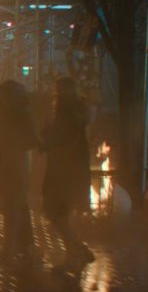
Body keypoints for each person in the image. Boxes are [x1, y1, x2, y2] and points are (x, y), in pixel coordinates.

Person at [0, 80, 39, 265]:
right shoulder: (1, 114)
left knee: (11, 208)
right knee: (12, 206)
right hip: (2, 166)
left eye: (2, 94)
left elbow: (30, 141)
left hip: (13, 168)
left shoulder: (21, 116)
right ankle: (25, 244)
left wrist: (5, 142)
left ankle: (9, 249)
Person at [40, 77, 95, 270]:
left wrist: (45, 137)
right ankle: (78, 251)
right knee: (60, 214)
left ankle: (75, 254)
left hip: (63, 172)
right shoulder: (75, 112)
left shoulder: (66, 113)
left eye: (57, 91)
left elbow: (59, 139)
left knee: (56, 213)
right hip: (72, 171)